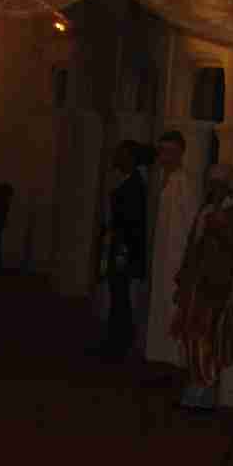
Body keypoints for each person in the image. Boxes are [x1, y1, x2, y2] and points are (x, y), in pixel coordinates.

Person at [172, 161, 233, 409]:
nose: (213, 188)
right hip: (198, 281)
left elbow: (227, 240)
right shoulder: (207, 209)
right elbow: (193, 246)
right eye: (211, 183)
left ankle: (204, 387)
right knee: (192, 335)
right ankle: (196, 384)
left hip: (215, 283)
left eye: (218, 183)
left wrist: (214, 219)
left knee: (207, 337)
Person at [92, 140, 150, 362]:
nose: (116, 157)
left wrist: (122, 252)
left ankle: (119, 341)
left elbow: (131, 224)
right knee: (117, 295)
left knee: (121, 297)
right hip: (119, 248)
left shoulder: (134, 186)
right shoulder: (127, 182)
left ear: (131, 159)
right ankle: (115, 338)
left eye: (121, 154)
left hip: (123, 251)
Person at [143, 129, 193, 371]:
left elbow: (189, 222)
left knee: (172, 306)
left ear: (180, 153)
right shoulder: (167, 180)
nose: (164, 157)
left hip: (176, 255)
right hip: (164, 254)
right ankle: (160, 356)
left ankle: (173, 359)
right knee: (160, 305)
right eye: (162, 152)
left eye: (169, 152)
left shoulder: (184, 182)